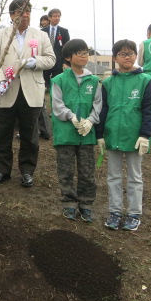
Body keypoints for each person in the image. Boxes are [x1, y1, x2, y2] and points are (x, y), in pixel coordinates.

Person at [0, 0, 55, 187]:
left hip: (31, 91)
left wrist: (36, 62)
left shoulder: (40, 35)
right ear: (11, 15)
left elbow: (51, 59)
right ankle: (2, 170)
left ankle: (27, 171)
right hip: (6, 90)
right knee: (2, 133)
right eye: (20, 12)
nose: (25, 15)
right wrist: (0, 80)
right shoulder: (0, 35)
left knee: (30, 134)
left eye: (28, 11)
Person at [96, 40, 151, 231]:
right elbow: (102, 110)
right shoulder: (107, 83)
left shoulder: (145, 80)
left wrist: (145, 135)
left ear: (135, 56)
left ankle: (134, 213)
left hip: (134, 137)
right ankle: (114, 211)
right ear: (115, 58)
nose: (127, 57)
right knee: (113, 176)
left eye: (130, 53)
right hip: (112, 135)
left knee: (134, 176)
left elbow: (149, 110)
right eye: (122, 54)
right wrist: (100, 135)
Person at [50, 39, 102, 223]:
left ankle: (86, 205)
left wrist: (90, 121)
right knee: (66, 171)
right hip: (65, 135)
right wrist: (71, 116)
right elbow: (57, 105)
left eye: (86, 52)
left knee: (87, 171)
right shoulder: (59, 80)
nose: (84, 56)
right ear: (68, 57)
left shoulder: (94, 81)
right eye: (79, 53)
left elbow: (98, 105)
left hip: (86, 135)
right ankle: (69, 204)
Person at [42, 8, 71, 84]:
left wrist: (66, 62)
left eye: (59, 16)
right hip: (45, 60)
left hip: (59, 61)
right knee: (44, 83)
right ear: (49, 18)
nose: (57, 18)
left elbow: (67, 48)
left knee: (57, 83)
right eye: (55, 16)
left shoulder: (64, 31)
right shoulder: (42, 31)